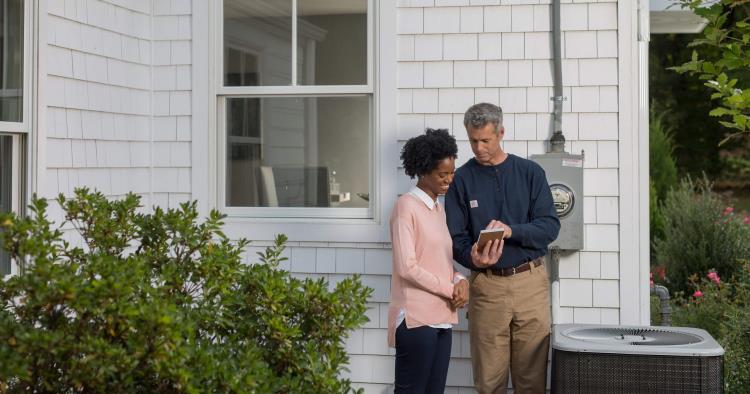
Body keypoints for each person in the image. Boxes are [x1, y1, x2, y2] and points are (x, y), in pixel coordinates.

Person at [445, 103, 560, 394]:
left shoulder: (530, 172)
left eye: (486, 140)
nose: (479, 147)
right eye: (473, 140)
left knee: (531, 381)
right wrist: (470, 256)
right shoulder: (461, 180)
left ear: (501, 133)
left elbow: (549, 226)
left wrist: (512, 230)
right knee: (489, 382)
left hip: (530, 283)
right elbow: (455, 239)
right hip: (487, 285)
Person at [388, 128, 470, 393]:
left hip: (442, 317)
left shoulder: (438, 208)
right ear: (423, 171)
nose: (449, 180)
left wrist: (460, 280)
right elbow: (407, 267)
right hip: (417, 319)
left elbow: (441, 260)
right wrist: (450, 289)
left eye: (452, 173)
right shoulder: (406, 207)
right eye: (442, 174)